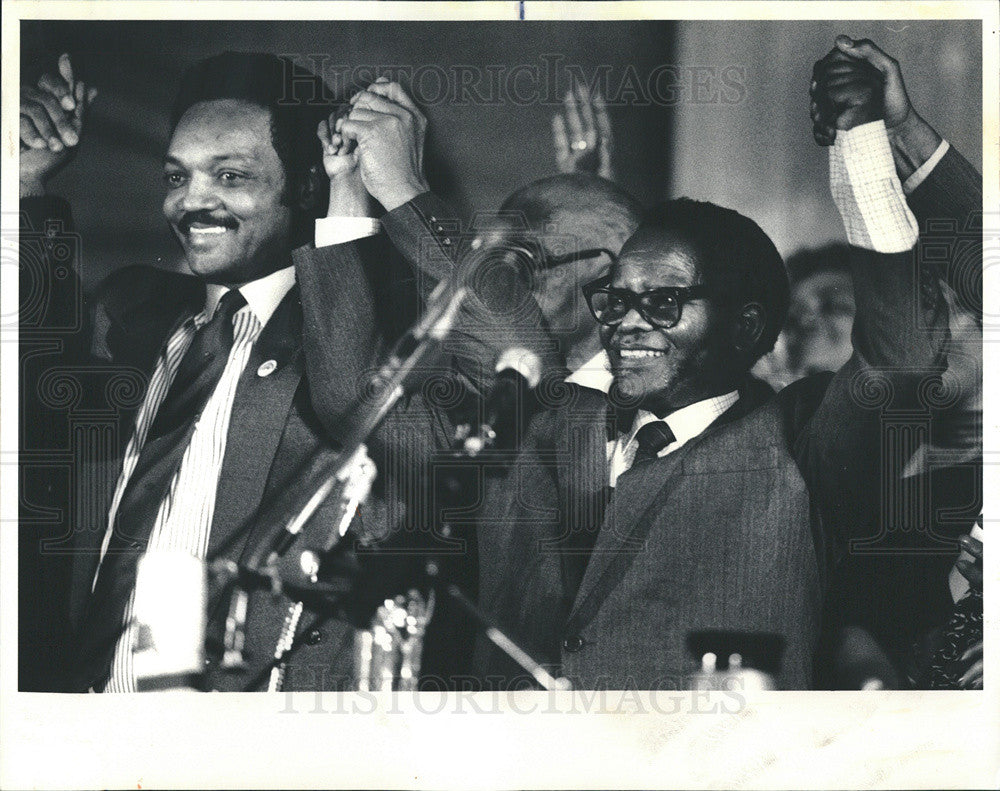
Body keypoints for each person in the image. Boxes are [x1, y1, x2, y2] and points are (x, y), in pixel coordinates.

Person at [19, 52, 549, 692]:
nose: (192, 201)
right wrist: (24, 188)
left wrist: (401, 190)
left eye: (231, 176)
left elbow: (521, 359)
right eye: (175, 176)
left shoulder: (366, 337)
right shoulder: (128, 309)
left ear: (304, 185)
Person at [471, 36, 966, 690]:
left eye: (666, 302)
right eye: (617, 300)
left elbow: (899, 352)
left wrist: (865, 147)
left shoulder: (800, 445)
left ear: (747, 326)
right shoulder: (547, 423)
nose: (626, 321)